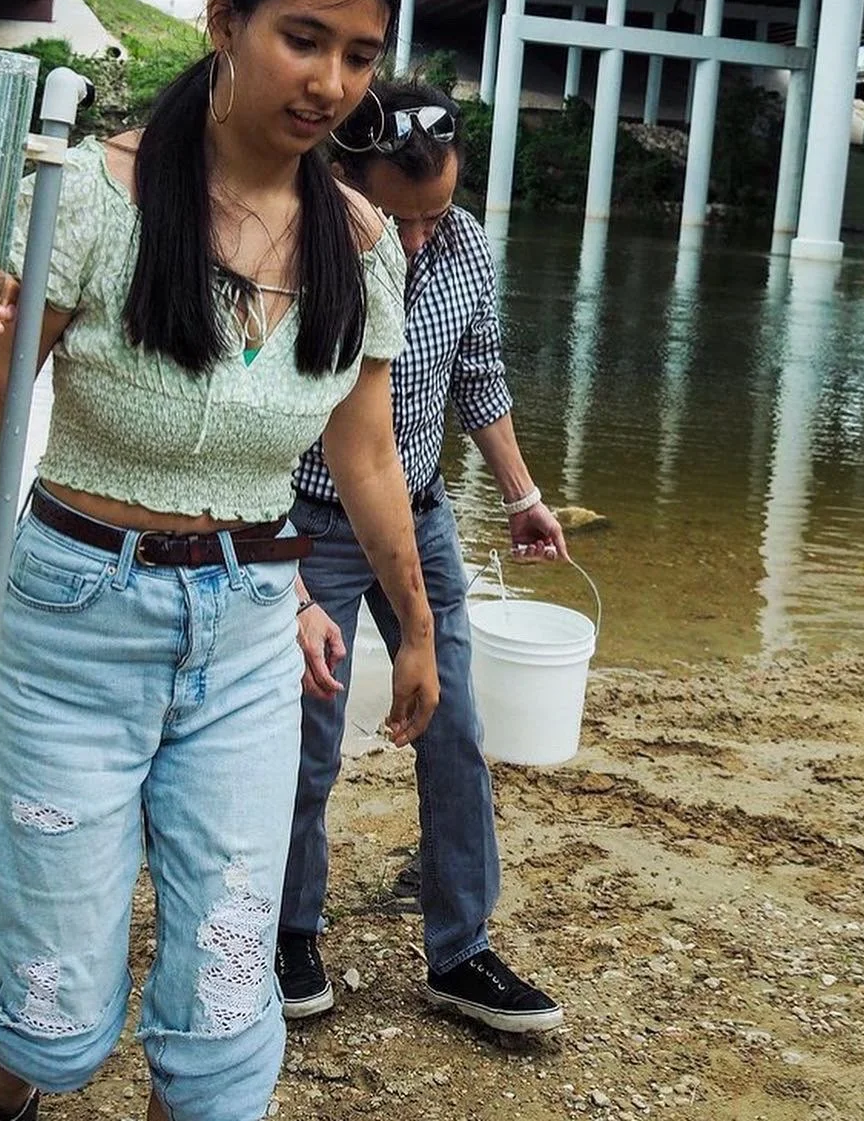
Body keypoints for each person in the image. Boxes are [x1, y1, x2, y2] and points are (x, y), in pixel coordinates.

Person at [0, 0, 439, 1121]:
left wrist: (413, 625)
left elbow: (365, 459)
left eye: (360, 54)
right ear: (225, 21)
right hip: (72, 620)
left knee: (227, 979)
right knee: (54, 991)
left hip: (250, 630)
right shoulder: (91, 199)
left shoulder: (361, 240)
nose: (331, 82)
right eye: (304, 37)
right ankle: (7, 1096)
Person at [275, 78, 567, 1035]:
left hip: (423, 516)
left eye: (431, 218)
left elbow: (477, 373)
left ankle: (461, 948)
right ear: (343, 176)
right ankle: (288, 930)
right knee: (308, 743)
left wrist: (523, 497)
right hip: (311, 522)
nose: (412, 243)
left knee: (455, 726)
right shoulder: (303, 240)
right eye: (392, 220)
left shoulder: (465, 241)